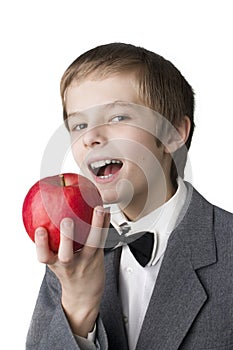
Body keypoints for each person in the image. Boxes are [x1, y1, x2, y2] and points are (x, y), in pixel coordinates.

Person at [26, 43, 233, 350]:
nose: (91, 137)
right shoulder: (72, 254)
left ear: (173, 133)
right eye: (79, 124)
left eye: (119, 117)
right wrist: (77, 311)